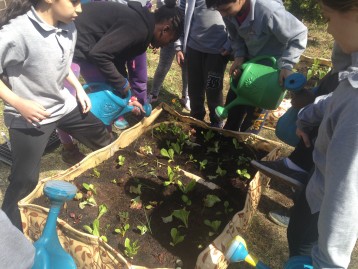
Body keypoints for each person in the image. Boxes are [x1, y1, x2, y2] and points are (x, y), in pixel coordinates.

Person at [0, 0, 115, 230]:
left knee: (106, 141)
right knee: (25, 182)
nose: (80, 9)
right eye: (74, 2)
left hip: (63, 105)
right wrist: (19, 103)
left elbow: (63, 65)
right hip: (31, 116)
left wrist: (79, 88)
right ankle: (9, 233)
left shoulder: (68, 25)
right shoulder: (15, 32)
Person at [56, 0, 184, 164]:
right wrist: (122, 84)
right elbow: (100, 55)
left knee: (108, 92)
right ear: (165, 29)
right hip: (71, 46)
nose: (165, 45)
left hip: (84, 45)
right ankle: (97, 150)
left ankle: (90, 145)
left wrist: (123, 85)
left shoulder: (142, 24)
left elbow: (116, 57)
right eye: (170, 41)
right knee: (83, 101)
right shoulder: (138, 28)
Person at [283, 1, 358, 267]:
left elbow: (345, 194)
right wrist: (307, 115)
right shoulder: (352, 82)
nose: (328, 31)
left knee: (302, 243)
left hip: (324, 200)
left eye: (327, 18)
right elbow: (337, 98)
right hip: (318, 190)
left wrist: (327, 262)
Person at [251, 42, 352, 227]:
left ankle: (301, 216)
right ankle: (296, 168)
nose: (328, 28)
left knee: (326, 170)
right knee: (314, 146)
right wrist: (314, 97)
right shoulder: (347, 57)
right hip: (336, 83)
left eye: (331, 18)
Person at [205, 0, 307, 133]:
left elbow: (299, 33)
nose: (223, 15)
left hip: (269, 73)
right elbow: (235, 37)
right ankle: (228, 139)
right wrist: (239, 56)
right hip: (248, 65)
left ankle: (246, 144)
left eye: (226, 9)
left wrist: (287, 65)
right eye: (220, 11)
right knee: (234, 105)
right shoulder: (229, 14)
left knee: (253, 118)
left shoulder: (268, 11)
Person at [176, 0, 231, 128]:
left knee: (213, 88)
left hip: (217, 52)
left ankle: (216, 121)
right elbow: (181, 14)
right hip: (193, 48)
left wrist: (229, 44)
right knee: (194, 86)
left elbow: (235, 17)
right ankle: (196, 118)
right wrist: (178, 46)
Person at [149, 0, 190, 111]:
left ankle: (186, 95)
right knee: (163, 65)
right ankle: (154, 92)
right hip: (170, 30)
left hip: (186, 34)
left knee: (186, 67)